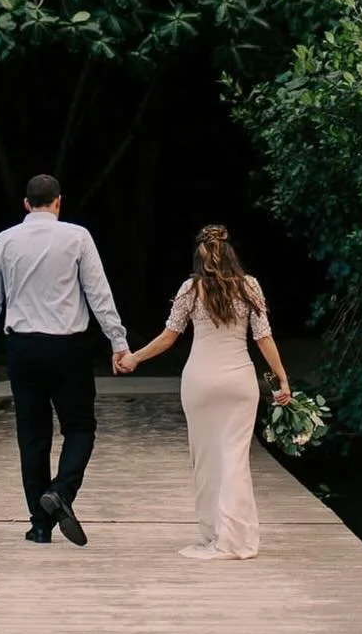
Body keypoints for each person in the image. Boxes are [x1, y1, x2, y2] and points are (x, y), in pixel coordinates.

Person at [0, 172, 130, 546]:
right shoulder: (77, 237)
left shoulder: (3, 242)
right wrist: (117, 342)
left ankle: (39, 525)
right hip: (68, 347)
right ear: (58, 201)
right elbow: (98, 294)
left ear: (26, 204)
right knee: (80, 428)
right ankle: (59, 493)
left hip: (22, 348)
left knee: (33, 436)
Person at [120, 223, 289, 560]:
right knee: (235, 459)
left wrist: (134, 358)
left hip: (200, 382)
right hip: (239, 383)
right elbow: (263, 337)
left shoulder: (190, 289)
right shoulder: (249, 286)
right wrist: (282, 378)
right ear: (230, 253)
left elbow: (169, 337)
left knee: (207, 459)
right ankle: (236, 537)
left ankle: (215, 533)